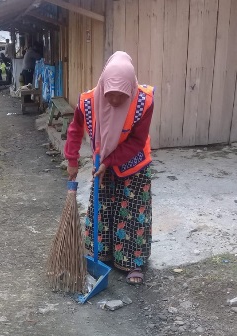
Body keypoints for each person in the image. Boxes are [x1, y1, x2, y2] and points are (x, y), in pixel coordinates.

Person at [64, 51, 154, 285]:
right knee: (102, 206)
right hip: (101, 161)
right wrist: (72, 160)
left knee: (132, 213)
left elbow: (136, 141)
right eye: (110, 94)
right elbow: (74, 130)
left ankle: (133, 262)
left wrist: (109, 162)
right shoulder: (87, 100)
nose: (114, 101)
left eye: (120, 96)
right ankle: (101, 254)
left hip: (133, 163)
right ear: (103, 85)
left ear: (131, 89)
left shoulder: (143, 101)